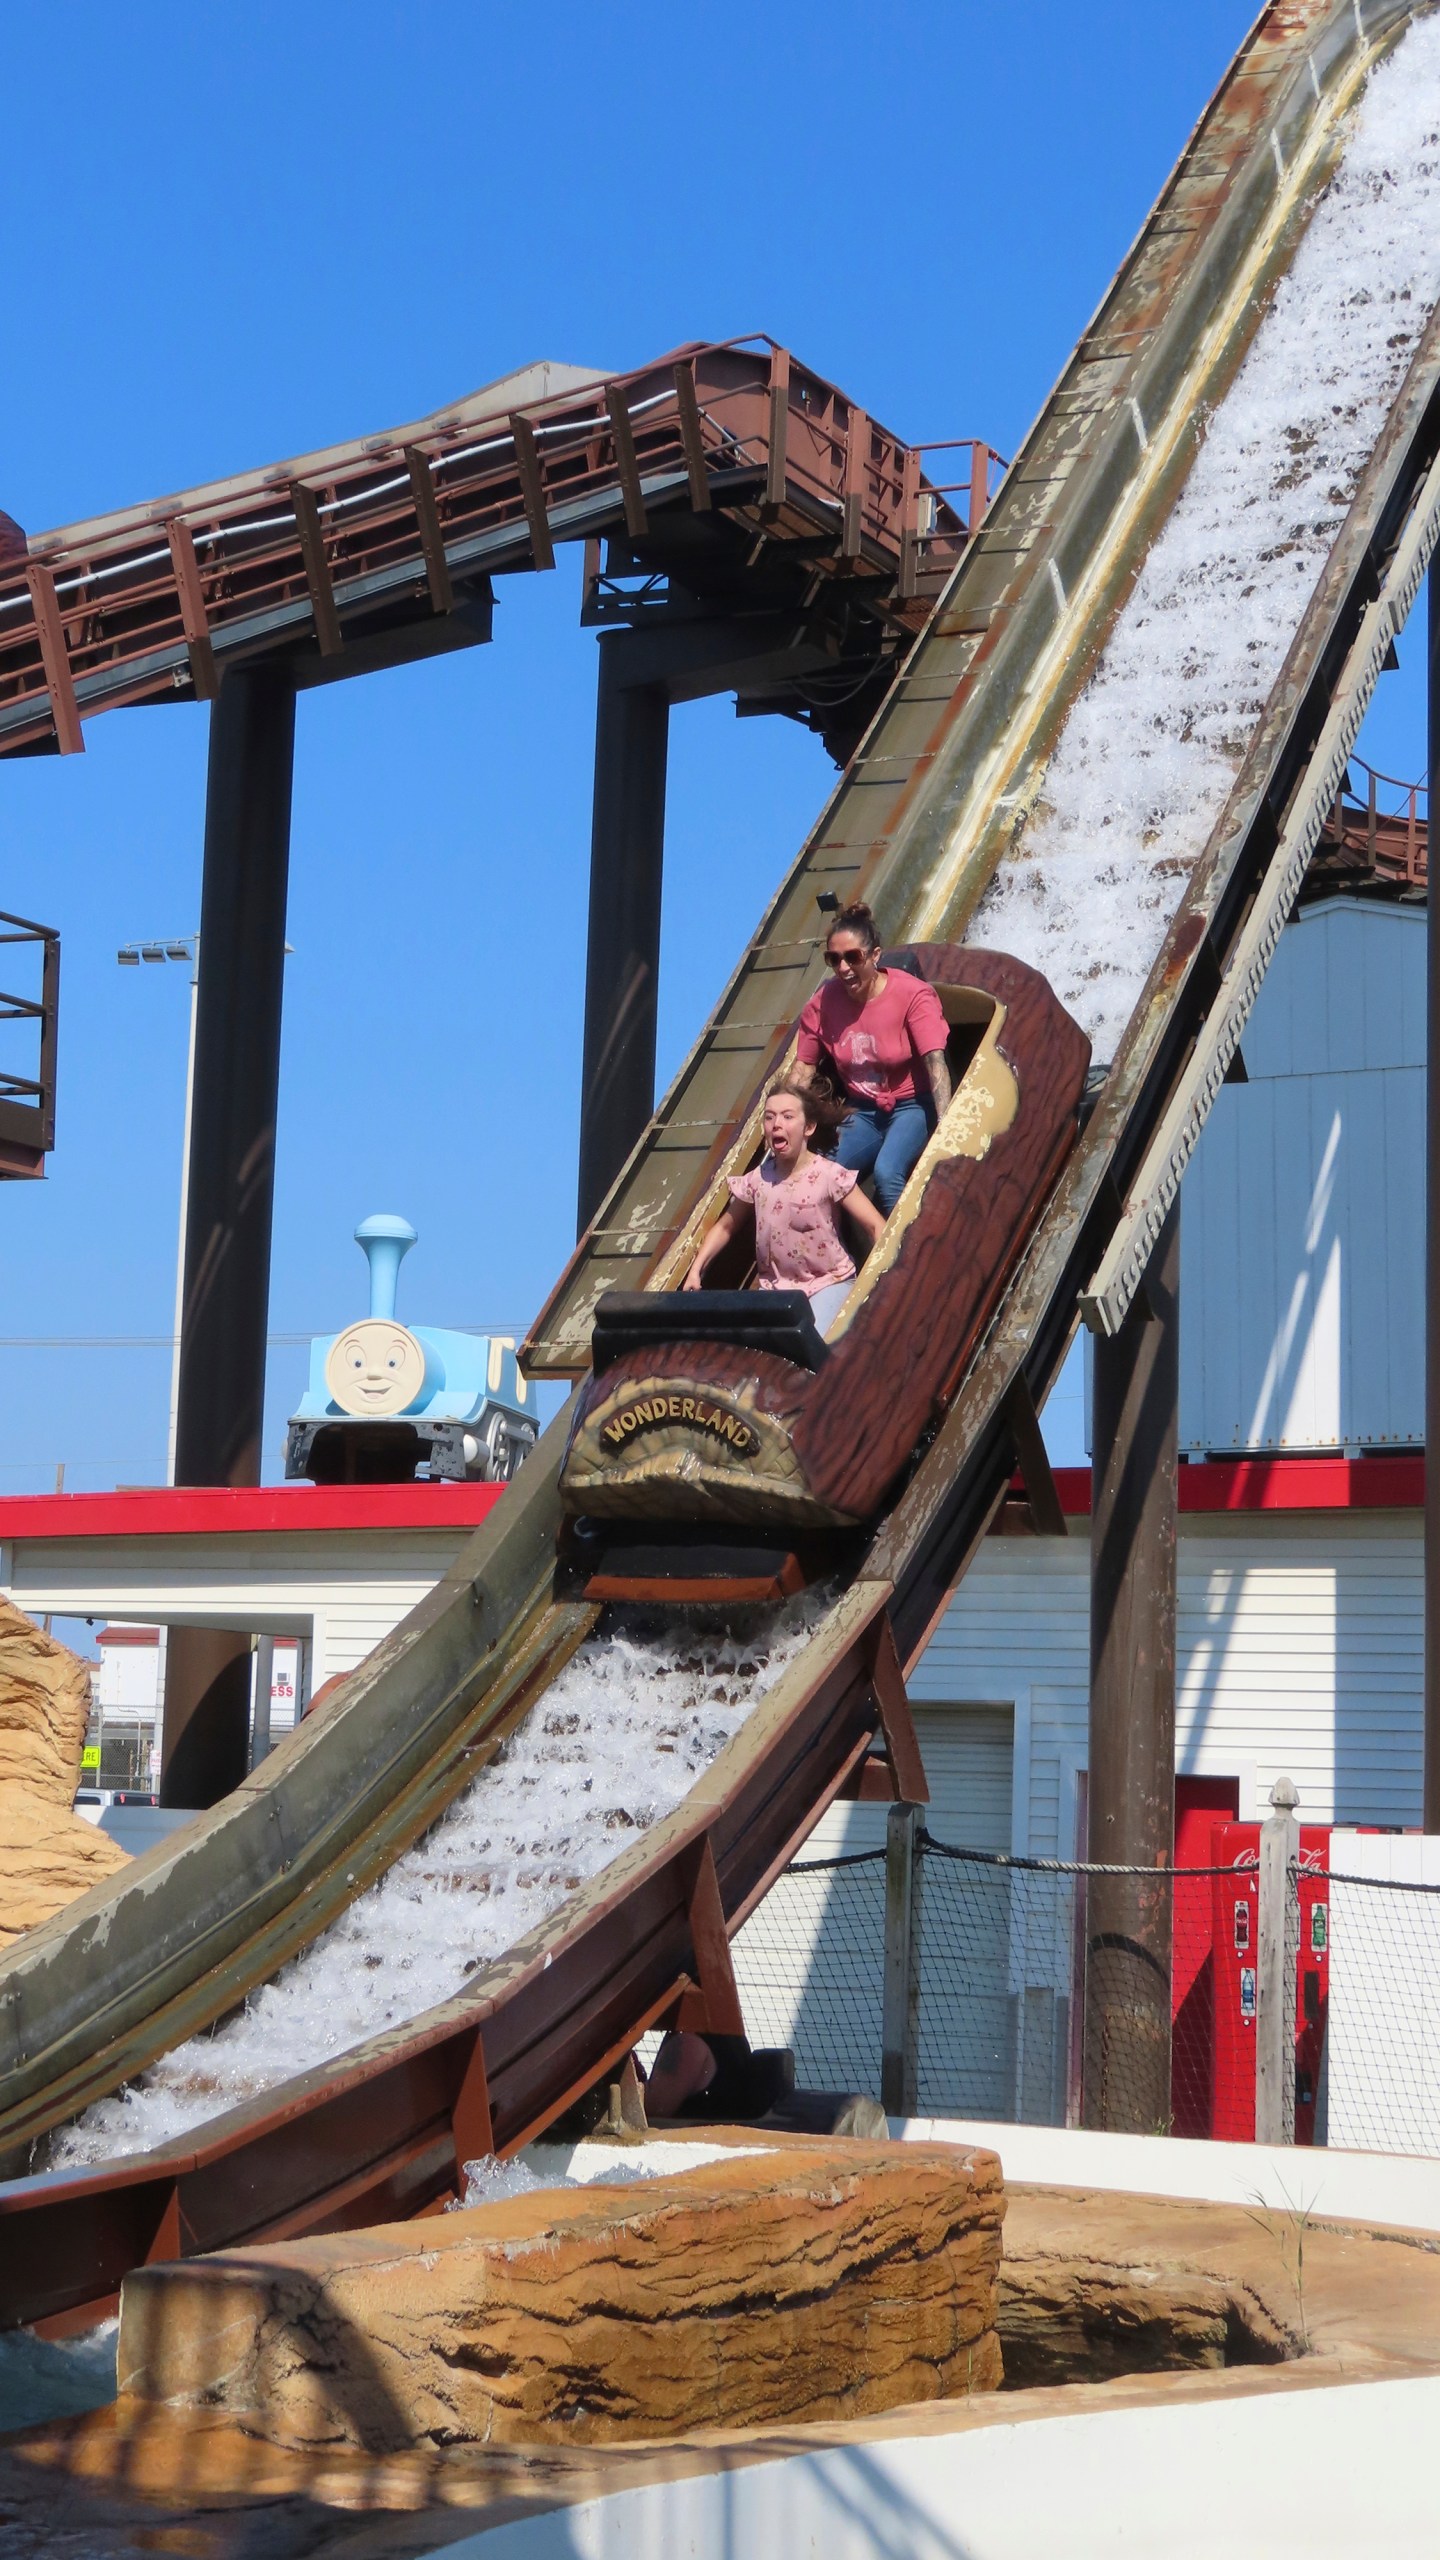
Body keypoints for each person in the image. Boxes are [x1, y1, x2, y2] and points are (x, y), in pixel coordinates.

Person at [683, 1075, 885, 1334]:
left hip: (828, 1283)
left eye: (788, 1117)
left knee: (815, 1344)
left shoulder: (829, 1175)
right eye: (770, 1117)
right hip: (776, 1291)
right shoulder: (758, 1179)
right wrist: (696, 1270)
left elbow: (876, 1226)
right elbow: (725, 1228)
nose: (777, 1124)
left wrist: (885, 1280)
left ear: (808, 1127)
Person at [794, 899, 952, 1215]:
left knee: (887, 1171)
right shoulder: (823, 1003)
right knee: (825, 1180)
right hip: (863, 1112)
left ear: (874, 956)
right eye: (834, 959)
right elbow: (804, 1068)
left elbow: (935, 1062)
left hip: (913, 1105)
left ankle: (906, 1253)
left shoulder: (911, 994)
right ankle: (838, 1260)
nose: (843, 968)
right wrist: (784, 1122)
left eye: (852, 957)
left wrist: (947, 1126)